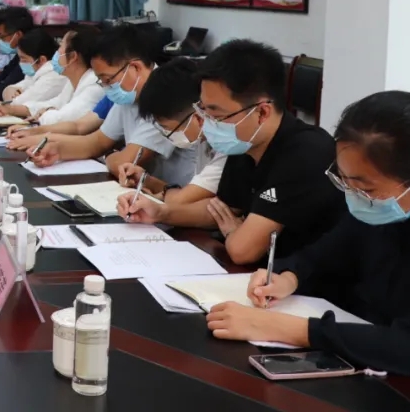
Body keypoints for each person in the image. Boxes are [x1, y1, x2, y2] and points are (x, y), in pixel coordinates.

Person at [206, 91, 410, 375]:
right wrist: (288, 277)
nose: (354, 195)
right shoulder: (374, 210)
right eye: (343, 180)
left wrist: (292, 329)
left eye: (366, 188)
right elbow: (326, 253)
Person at [119, 40, 340, 264]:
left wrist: (234, 232)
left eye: (216, 115)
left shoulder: (305, 153)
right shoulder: (245, 143)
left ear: (262, 112)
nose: (206, 122)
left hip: (307, 281)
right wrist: (160, 212)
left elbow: (242, 250)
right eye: (203, 110)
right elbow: (220, 210)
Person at [29, 24, 198, 187]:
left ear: (135, 67)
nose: (106, 86)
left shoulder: (165, 94)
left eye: (108, 79)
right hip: (151, 191)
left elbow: (126, 161)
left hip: (175, 194)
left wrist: (109, 155)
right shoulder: (129, 95)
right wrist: (57, 150)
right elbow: (97, 142)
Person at [114, 58, 226, 211]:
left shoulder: (226, 148)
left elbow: (181, 200)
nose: (167, 135)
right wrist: (146, 180)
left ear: (197, 118)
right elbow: (189, 194)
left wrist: (161, 196)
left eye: (167, 129)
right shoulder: (202, 140)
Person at [0, 26, 103, 132]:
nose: (57, 52)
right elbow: (57, 103)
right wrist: (10, 109)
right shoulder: (73, 81)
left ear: (72, 56)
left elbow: (63, 118)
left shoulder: (94, 85)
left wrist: (44, 114)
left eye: (61, 46)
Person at [0, 7, 32, 100]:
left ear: (18, 35)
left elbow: (6, 87)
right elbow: (3, 75)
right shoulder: (20, 53)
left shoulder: (32, 53)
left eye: (1, 36)